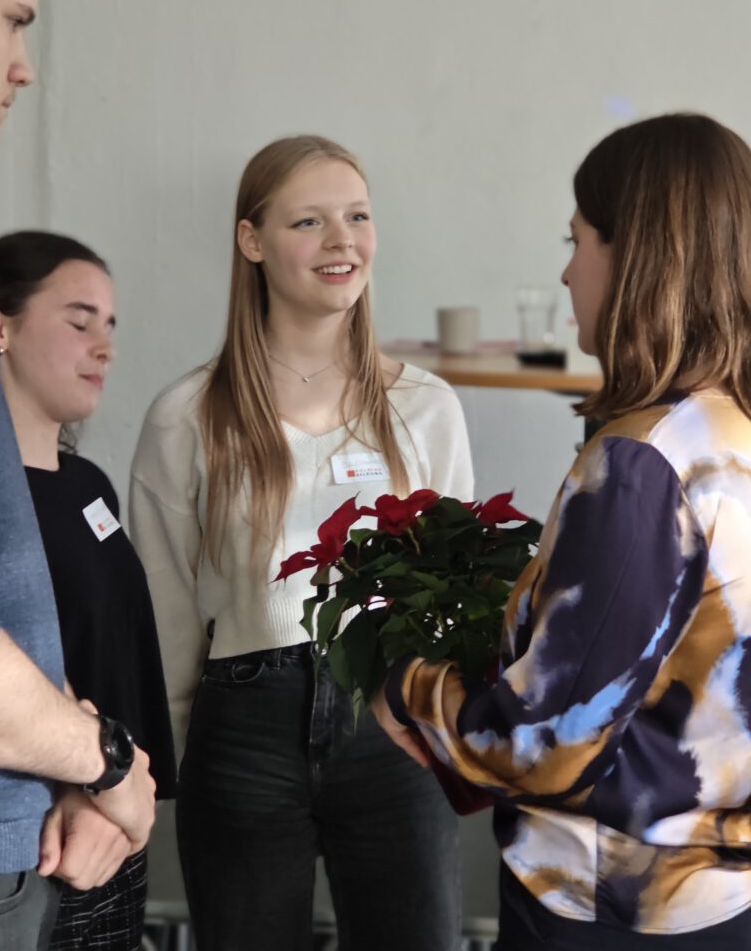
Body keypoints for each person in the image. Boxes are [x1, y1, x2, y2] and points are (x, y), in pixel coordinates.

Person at [374, 112, 751, 950]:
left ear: (641, 257)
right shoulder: (734, 433)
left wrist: (412, 690)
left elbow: (554, 744)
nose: (567, 271)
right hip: (718, 899)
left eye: (577, 239)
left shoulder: (642, 464)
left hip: (608, 908)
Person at [129, 134, 475, 951]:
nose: (341, 241)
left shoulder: (426, 408)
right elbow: (165, 612)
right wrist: (173, 763)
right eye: (309, 221)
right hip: (244, 729)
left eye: (356, 216)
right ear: (252, 241)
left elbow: (457, 598)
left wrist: (453, 733)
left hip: (394, 722)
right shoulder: (187, 415)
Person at [0, 0, 156, 948]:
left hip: (39, 835)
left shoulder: (88, 478)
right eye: (12, 18)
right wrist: (104, 761)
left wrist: (122, 777)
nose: (24, 66)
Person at [0, 229, 178, 950]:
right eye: (78, 320)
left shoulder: (91, 485)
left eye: (111, 326)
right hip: (43, 842)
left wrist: (123, 795)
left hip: (121, 819)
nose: (105, 346)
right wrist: (85, 789)